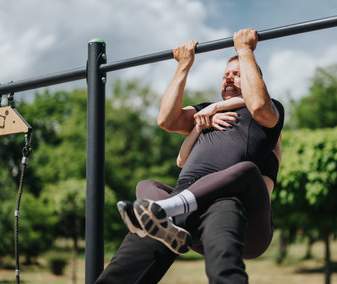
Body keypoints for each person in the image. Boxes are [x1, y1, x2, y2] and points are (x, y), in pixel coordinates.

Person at [95, 28, 284, 284]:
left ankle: (165, 210)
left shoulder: (270, 112)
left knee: (246, 170)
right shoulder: (203, 113)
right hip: (181, 210)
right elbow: (166, 119)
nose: (228, 78)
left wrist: (244, 50)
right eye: (225, 75)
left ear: (254, 77)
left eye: (237, 74)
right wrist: (184, 65)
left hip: (229, 203)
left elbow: (259, 104)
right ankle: (165, 215)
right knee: (146, 192)